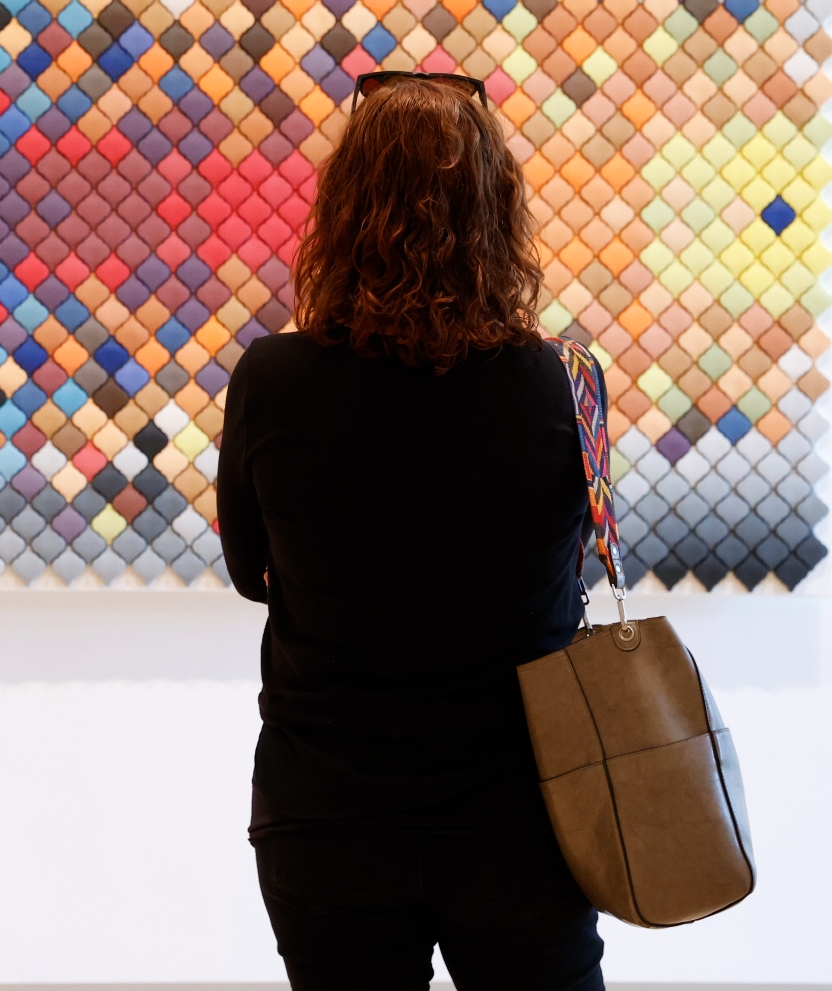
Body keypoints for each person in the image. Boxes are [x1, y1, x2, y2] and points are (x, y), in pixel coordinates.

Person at [217, 72, 605, 991]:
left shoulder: (271, 379)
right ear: (496, 211)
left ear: (341, 211)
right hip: (523, 814)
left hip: (329, 812)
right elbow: (567, 565)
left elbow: (247, 572)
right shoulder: (563, 381)